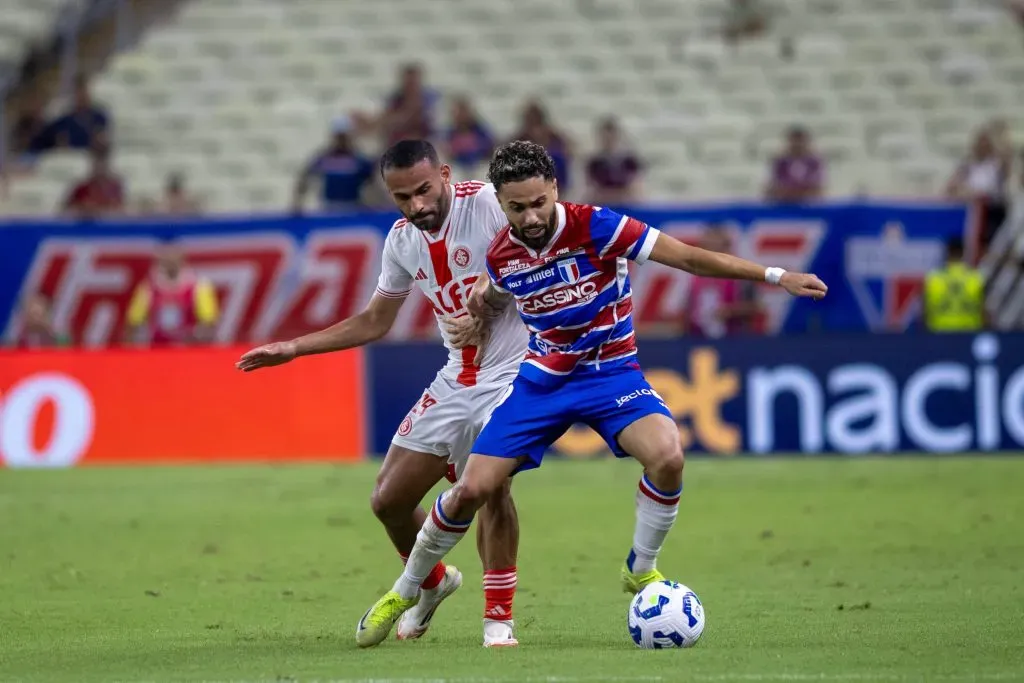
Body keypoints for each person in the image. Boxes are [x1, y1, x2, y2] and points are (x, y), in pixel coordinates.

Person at [355, 141, 828, 647]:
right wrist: (480, 304)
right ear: (503, 205)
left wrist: (778, 276)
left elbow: (689, 258)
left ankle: (641, 568)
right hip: (542, 382)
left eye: (538, 202)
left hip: (611, 375)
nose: (531, 216)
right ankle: (406, 590)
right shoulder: (502, 252)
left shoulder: (598, 225)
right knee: (473, 489)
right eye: (517, 208)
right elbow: (494, 289)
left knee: (667, 456)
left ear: (555, 190)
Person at [236, 140, 527, 648]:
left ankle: (497, 620)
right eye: (402, 197)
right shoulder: (402, 241)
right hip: (457, 377)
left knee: (490, 488)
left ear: (443, 174)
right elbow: (375, 319)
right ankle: (434, 584)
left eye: (424, 190)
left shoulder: (486, 204)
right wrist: (295, 347)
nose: (417, 205)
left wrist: (485, 294)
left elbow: (539, 249)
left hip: (514, 373)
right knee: (388, 500)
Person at [125, 243, 219, 346]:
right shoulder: (148, 287)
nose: (171, 263)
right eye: (167, 260)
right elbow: (133, 322)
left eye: (174, 259)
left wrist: (196, 337)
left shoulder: (199, 286)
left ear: (182, 259)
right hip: (156, 350)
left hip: (188, 350)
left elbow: (209, 323)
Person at [683, 224, 762, 337]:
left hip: (733, 339)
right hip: (699, 338)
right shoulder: (696, 276)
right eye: (707, 248)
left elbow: (756, 307)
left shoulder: (741, 275)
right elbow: (689, 308)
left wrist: (730, 311)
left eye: (716, 248)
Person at [293, 116, 376, 213]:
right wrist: (297, 204)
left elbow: (372, 184)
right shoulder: (324, 158)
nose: (341, 141)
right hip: (329, 207)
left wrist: (373, 206)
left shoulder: (359, 160)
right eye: (338, 137)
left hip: (353, 207)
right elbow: (305, 177)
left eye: (344, 137)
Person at [923, 237, 986, 332]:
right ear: (963, 252)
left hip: (940, 334)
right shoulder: (975, 278)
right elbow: (983, 311)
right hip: (969, 334)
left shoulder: (933, 278)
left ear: (947, 252)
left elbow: (924, 313)